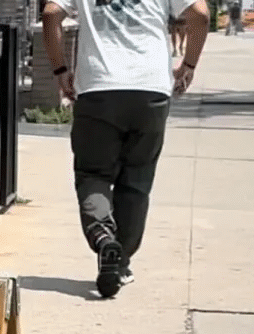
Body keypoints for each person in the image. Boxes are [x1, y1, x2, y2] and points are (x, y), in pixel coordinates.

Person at [41, 0, 210, 298]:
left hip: (97, 87)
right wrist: (189, 65)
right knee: (137, 179)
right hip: (150, 89)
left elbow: (52, 13)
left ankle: (103, 236)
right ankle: (121, 261)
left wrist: (60, 69)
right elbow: (200, 14)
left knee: (93, 173)